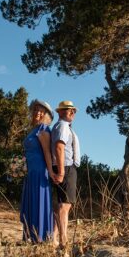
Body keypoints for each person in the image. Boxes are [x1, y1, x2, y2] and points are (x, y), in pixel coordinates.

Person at [20, 99, 56, 242]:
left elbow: (47, 153)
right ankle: (29, 235)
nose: (37, 113)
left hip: (39, 171)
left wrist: (51, 171)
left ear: (46, 114)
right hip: (30, 171)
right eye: (35, 110)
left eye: (41, 111)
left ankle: (40, 236)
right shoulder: (33, 130)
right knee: (30, 202)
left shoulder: (43, 129)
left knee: (38, 201)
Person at [50, 100, 80, 249]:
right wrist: (61, 172)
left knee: (62, 204)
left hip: (64, 167)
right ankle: (64, 241)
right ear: (60, 112)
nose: (72, 112)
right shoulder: (62, 126)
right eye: (69, 109)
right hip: (66, 167)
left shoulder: (62, 126)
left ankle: (54, 238)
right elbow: (59, 148)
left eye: (73, 110)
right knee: (65, 205)